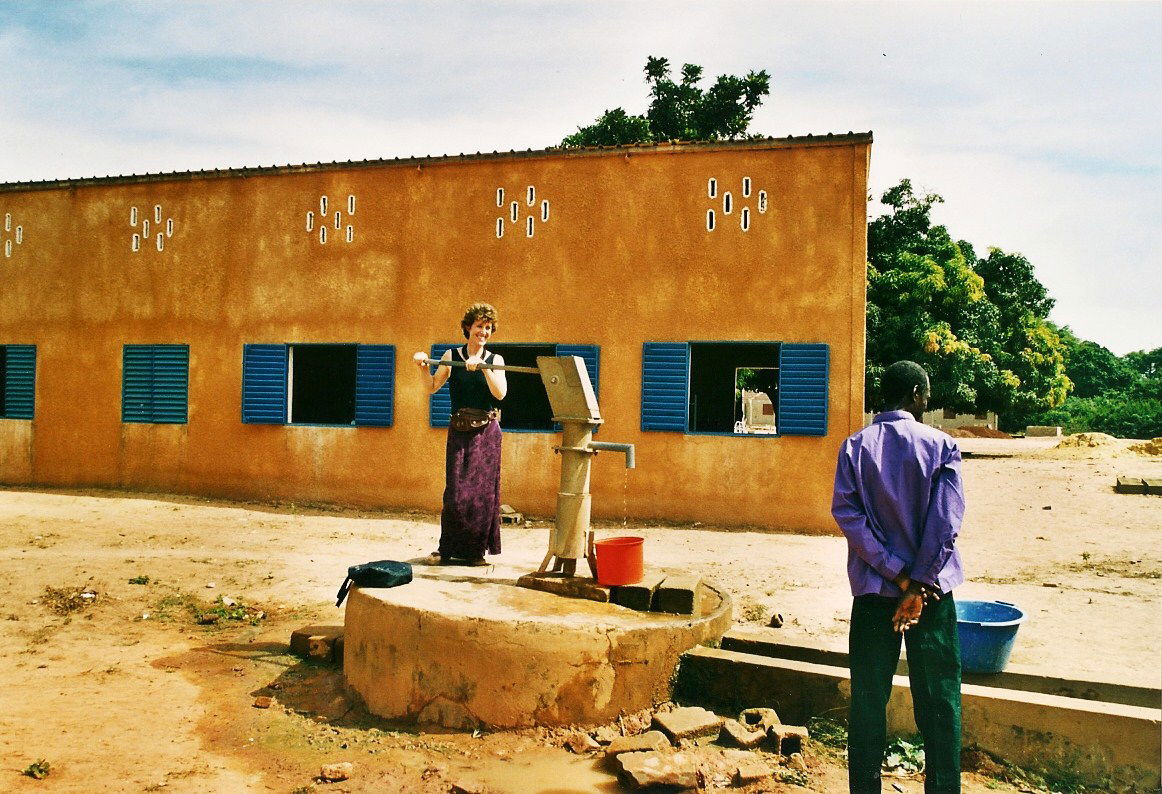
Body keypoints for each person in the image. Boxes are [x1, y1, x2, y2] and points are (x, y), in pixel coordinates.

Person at [831, 361, 966, 794]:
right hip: (932, 597)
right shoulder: (942, 446)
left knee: (869, 698)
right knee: (940, 701)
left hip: (874, 594)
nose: (928, 401)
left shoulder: (854, 448)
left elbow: (849, 519)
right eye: (926, 394)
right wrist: (921, 585)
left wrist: (898, 576)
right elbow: (945, 524)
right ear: (914, 393)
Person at [415, 303, 507, 566]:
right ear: (468, 327)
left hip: (487, 434)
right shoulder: (451, 355)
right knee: (455, 494)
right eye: (479, 326)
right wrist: (422, 367)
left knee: (481, 494)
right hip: (459, 430)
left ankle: (475, 553)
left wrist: (484, 367)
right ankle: (446, 549)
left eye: (488, 328)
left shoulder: (495, 359)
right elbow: (432, 386)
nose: (483, 332)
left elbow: (500, 394)